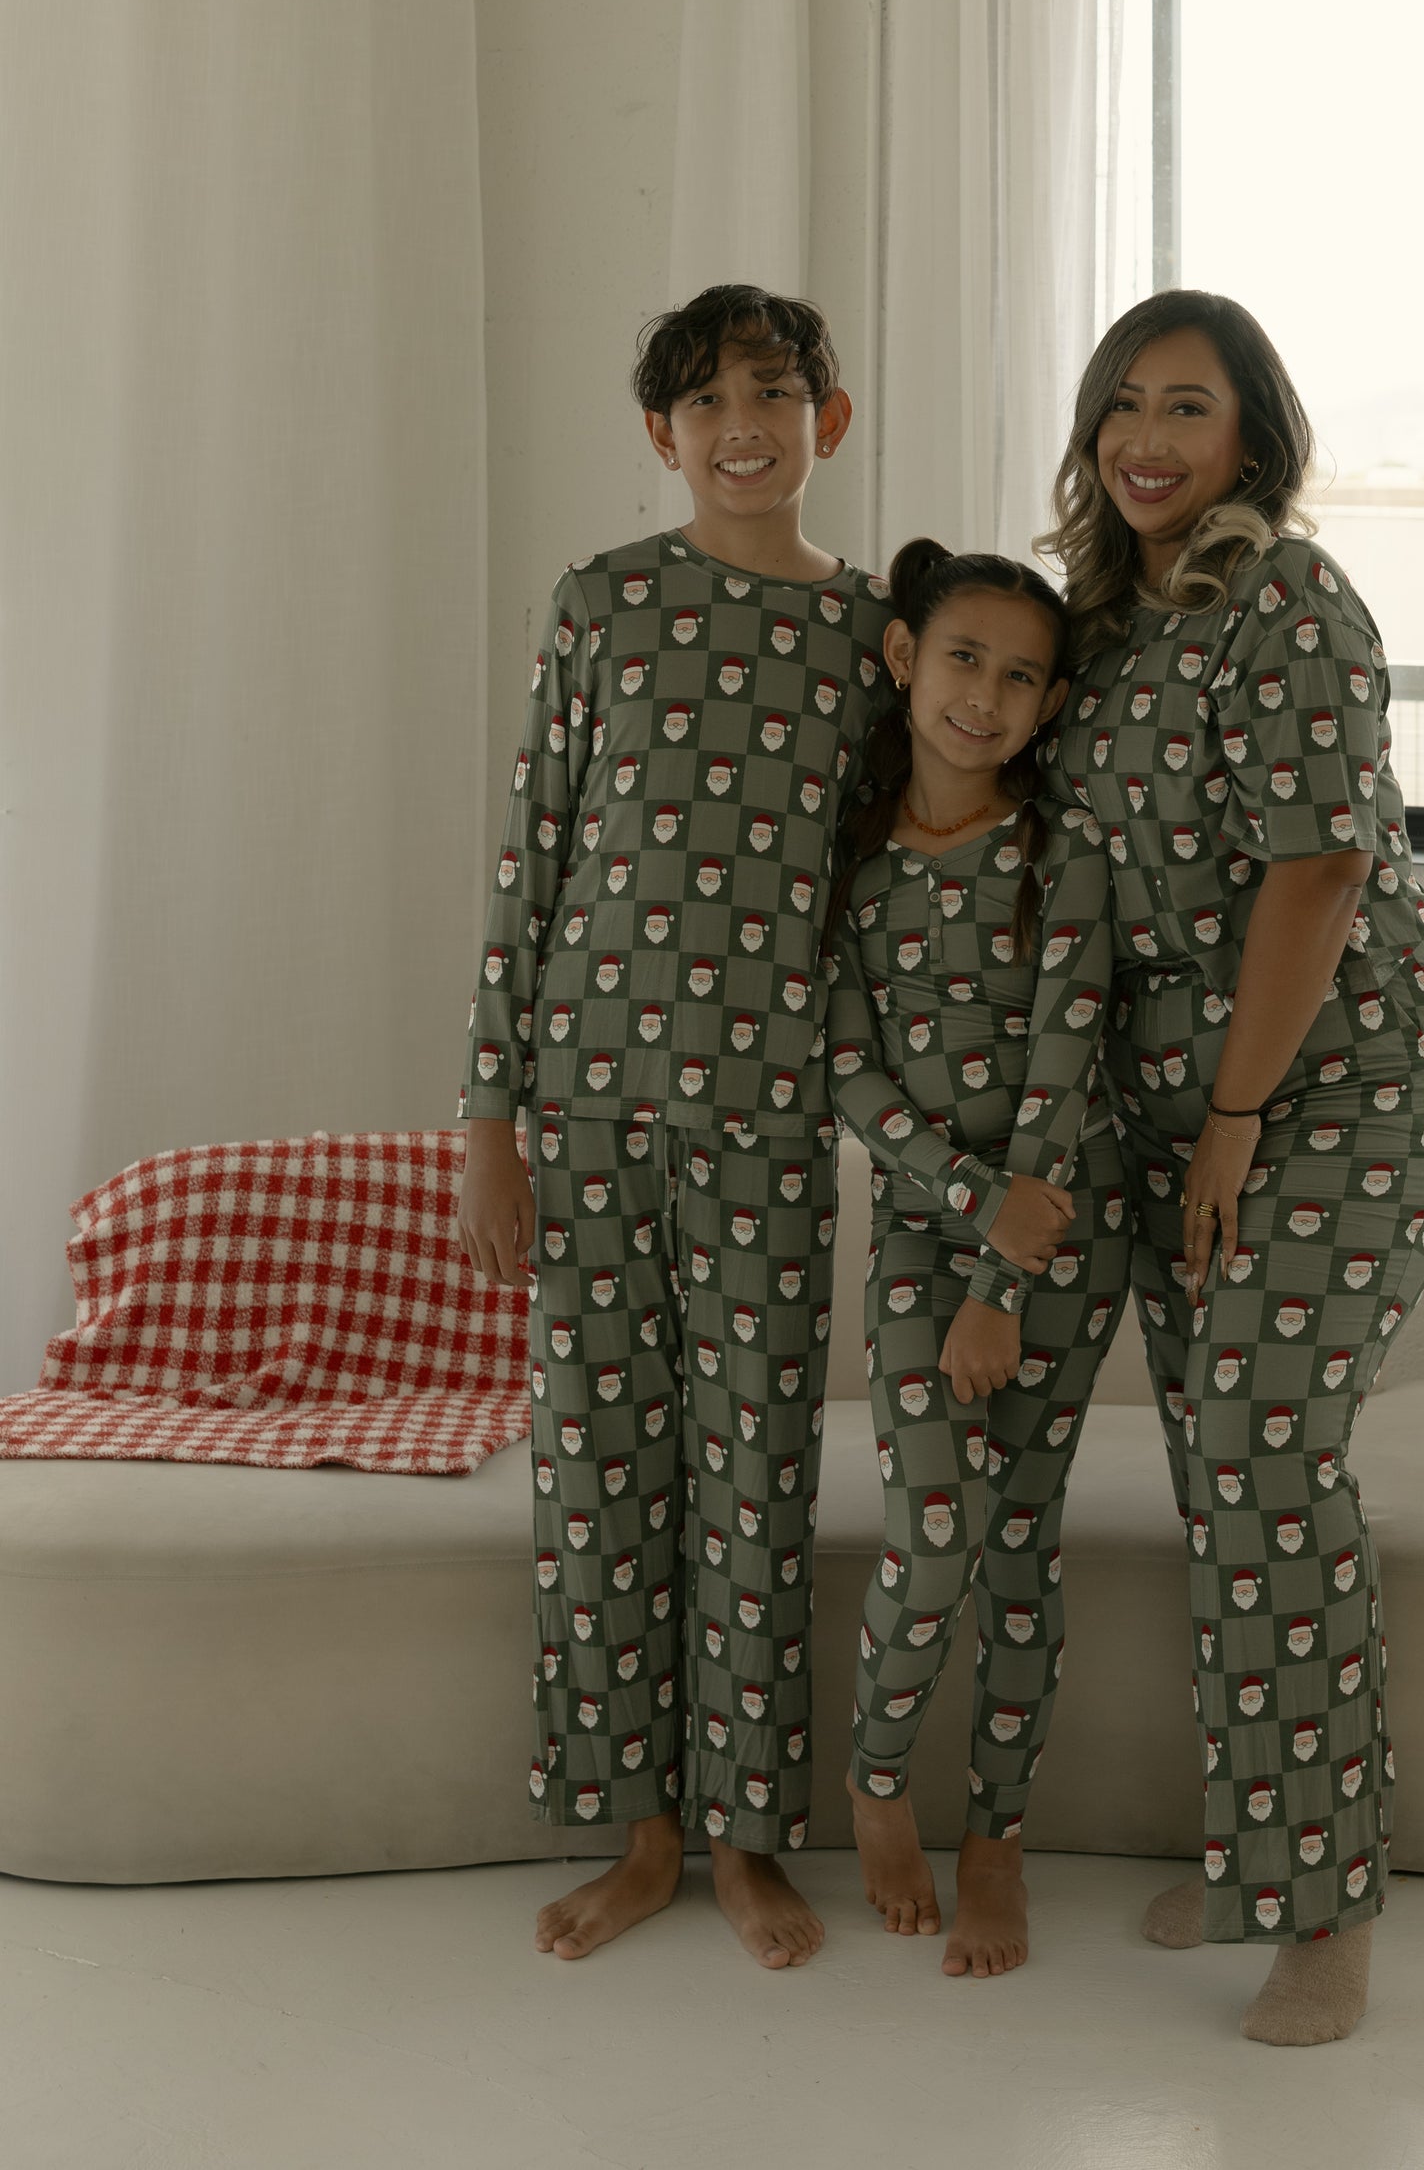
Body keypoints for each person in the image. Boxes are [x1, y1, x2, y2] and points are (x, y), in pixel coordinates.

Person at [1040, 288, 1424, 2047]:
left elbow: (1318, 875)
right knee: (1223, 1476)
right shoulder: (1110, 622)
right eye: (1123, 406)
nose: (1148, 439)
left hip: (1342, 1085)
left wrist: (1230, 1123)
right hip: (1182, 1104)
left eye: (1188, 410)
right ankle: (1258, 1850)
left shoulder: (1287, 600)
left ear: (1251, 440)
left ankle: (1323, 1914)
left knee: (1263, 1452)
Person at [454, 283, 893, 1973]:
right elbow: (531, 863)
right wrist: (489, 1117)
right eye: (705, 402)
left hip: (772, 1128)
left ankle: (742, 1845)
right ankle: (638, 1836)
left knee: (757, 1480)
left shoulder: (871, 640)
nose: (741, 425)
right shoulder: (603, 604)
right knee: (598, 1483)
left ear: (825, 421)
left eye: (773, 394)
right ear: (660, 435)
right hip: (582, 1118)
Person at [823, 539, 1123, 1979]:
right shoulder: (850, 854)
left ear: (1047, 703)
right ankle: (878, 1785)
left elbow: (1063, 1076)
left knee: (1017, 1544)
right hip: (921, 1243)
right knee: (934, 1530)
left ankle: (996, 1839)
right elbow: (842, 1067)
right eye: (961, 660)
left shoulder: (1060, 856)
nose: (983, 697)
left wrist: (1008, 1278)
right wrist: (961, 1210)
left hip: (1060, 1238)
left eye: (1018, 678)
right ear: (901, 659)